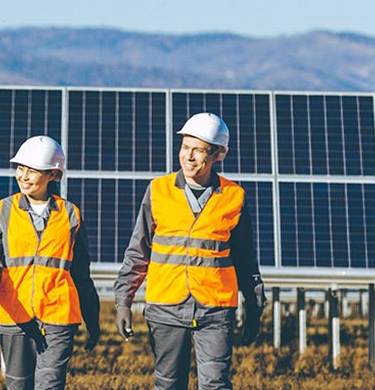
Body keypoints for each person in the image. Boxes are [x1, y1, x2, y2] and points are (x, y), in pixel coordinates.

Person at [113, 112, 266, 390]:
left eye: (198, 150)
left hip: (215, 308)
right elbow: (138, 250)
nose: (189, 156)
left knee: (215, 384)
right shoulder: (158, 190)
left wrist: (254, 307)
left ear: (218, 154)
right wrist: (124, 300)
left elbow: (245, 259)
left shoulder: (234, 197)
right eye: (185, 147)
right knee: (168, 384)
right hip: (166, 307)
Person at [0, 135, 102, 390]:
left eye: (32, 171)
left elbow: (80, 273)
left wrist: (92, 316)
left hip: (59, 317)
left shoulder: (70, 214)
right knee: (18, 385)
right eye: (20, 169)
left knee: (50, 385)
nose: (23, 176)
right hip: (15, 315)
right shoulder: (2, 211)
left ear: (53, 174)